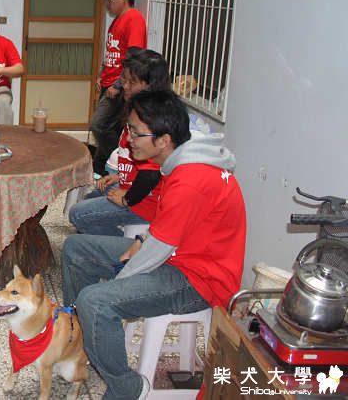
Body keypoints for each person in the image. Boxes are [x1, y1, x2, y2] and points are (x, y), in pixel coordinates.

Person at [62, 90, 246, 399]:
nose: (129, 139)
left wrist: (119, 283)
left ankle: (128, 387)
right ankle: (81, 336)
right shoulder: (181, 161)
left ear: (163, 140)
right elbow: (171, 229)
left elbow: (160, 248)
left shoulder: (191, 179)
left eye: (136, 133)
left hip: (198, 280)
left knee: (96, 301)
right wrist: (141, 240)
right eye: (130, 129)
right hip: (177, 255)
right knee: (75, 249)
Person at [69, 50, 169, 236]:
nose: (125, 86)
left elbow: (151, 174)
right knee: (88, 199)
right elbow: (138, 163)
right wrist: (119, 177)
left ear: (150, 86)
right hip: (128, 185)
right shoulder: (137, 109)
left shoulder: (152, 120)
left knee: (77, 214)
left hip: (144, 201)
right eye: (124, 79)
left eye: (132, 82)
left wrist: (127, 199)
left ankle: (127, 246)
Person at [90, 0, 147, 176]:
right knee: (110, 127)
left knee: (98, 125)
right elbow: (112, 53)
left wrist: (118, 84)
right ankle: (100, 170)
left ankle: (119, 160)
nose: (108, 4)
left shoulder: (134, 18)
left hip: (120, 86)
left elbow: (133, 56)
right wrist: (101, 75)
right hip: (109, 82)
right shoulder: (116, 21)